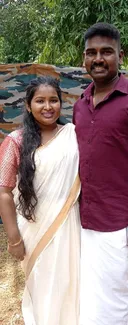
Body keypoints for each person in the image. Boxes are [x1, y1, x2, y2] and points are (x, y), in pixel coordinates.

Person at [73, 22, 128, 325]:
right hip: (82, 218)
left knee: (114, 297)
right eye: (91, 52)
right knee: (87, 292)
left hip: (119, 222)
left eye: (106, 52)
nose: (98, 58)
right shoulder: (80, 104)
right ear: (83, 58)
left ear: (120, 56)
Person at [0, 76, 81, 325]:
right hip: (33, 229)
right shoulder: (15, 141)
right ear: (27, 105)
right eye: (40, 101)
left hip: (71, 225)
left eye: (54, 100)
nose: (48, 107)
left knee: (70, 283)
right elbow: (4, 192)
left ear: (61, 103)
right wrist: (14, 239)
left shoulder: (73, 136)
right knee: (44, 285)